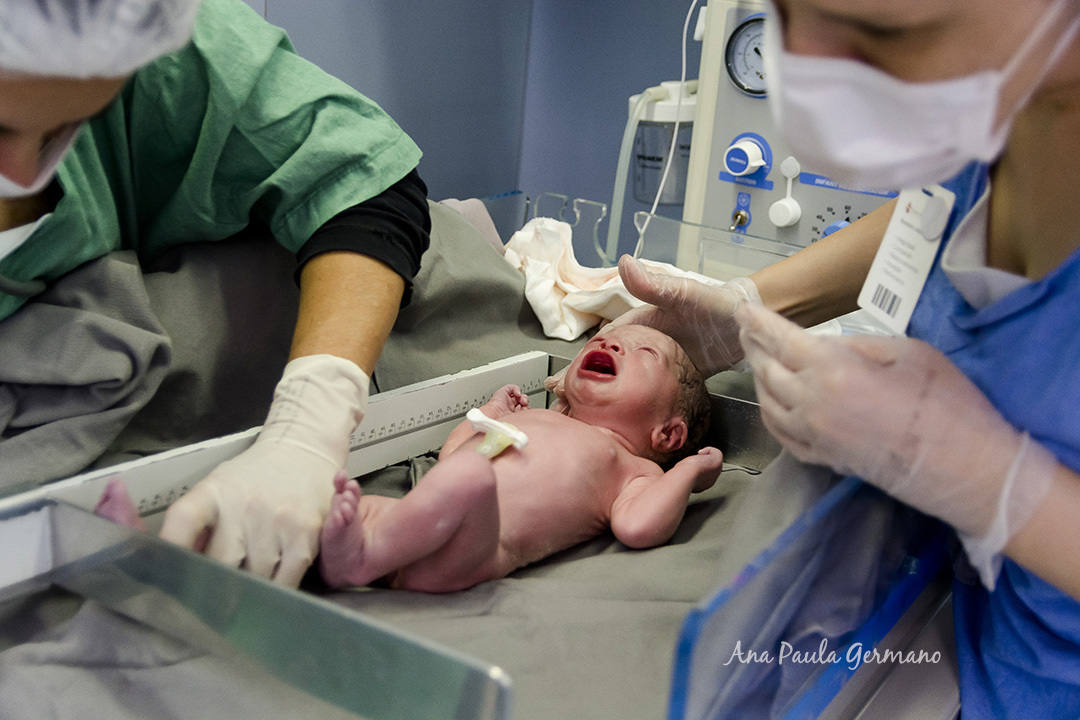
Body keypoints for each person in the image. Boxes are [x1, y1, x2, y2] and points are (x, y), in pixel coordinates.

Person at [596, 0, 1080, 716]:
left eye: (886, 31)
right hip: (968, 638)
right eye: (788, 10)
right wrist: (749, 307)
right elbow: (935, 210)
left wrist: (999, 486)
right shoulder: (1006, 106)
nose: (812, 67)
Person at [0, 0, 430, 587]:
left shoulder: (135, 33)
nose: (25, 173)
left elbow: (368, 182)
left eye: (61, 131)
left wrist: (309, 426)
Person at [313, 324, 720, 592]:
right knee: (362, 504)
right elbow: (452, 454)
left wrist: (689, 472)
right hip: (423, 516)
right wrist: (491, 414)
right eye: (598, 340)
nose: (609, 343)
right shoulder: (537, 416)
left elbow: (637, 526)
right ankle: (353, 548)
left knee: (469, 477)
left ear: (667, 433)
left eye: (644, 352)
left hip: (474, 549)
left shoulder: (634, 467)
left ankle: (365, 559)